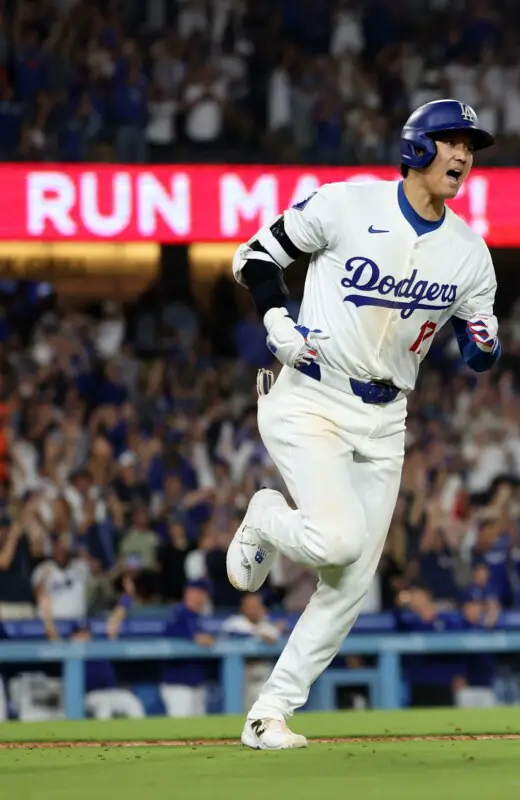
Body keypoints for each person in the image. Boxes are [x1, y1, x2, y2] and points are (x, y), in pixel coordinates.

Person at [224, 99, 500, 750]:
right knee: (337, 540)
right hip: (311, 395)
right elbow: (255, 257)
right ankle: (266, 514)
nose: (462, 155)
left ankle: (269, 713)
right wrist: (274, 320)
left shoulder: (468, 252)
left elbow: (480, 331)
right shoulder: (348, 205)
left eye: (470, 145)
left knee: (349, 584)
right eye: (450, 141)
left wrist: (482, 343)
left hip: (387, 416)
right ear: (416, 149)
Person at [160, 579, 215, 717]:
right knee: (180, 732)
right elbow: (195, 637)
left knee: (199, 732)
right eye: (197, 593)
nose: (200, 598)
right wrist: (198, 638)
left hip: (196, 683)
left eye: (203, 595)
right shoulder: (179, 613)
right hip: (178, 685)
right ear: (188, 593)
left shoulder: (199, 618)